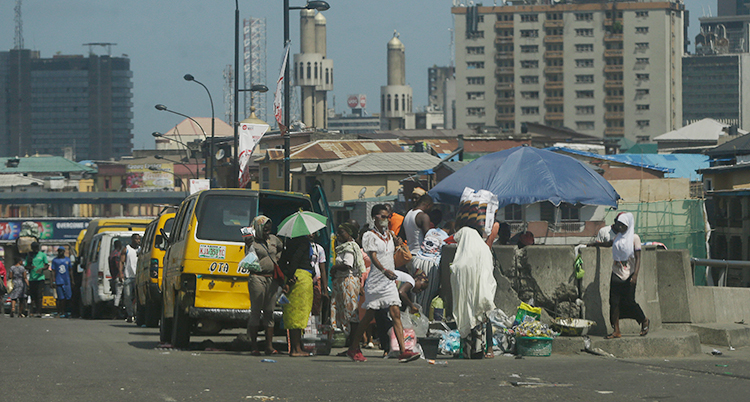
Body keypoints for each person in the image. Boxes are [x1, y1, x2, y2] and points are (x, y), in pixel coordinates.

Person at [346, 204, 420, 363]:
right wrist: (384, 270)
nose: (386, 220)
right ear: (375, 217)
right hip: (376, 280)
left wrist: (398, 243)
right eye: (382, 216)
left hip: (389, 281)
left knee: (395, 314)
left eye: (388, 217)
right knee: (368, 316)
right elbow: (372, 257)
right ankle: (353, 347)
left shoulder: (390, 235)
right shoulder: (370, 236)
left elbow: (392, 253)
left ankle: (403, 350)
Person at [451, 224, 497, 359]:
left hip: (467, 295)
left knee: (467, 315)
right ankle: (485, 349)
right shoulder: (484, 249)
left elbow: (456, 271)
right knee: (482, 317)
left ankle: (468, 350)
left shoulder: (462, 257)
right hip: (482, 291)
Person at [604, 212, 650, 339]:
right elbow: (609, 244)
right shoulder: (618, 237)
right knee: (614, 303)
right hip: (616, 273)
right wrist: (594, 244)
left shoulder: (635, 238)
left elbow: (638, 258)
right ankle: (616, 330)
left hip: (629, 274)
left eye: (623, 225)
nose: (620, 227)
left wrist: (635, 275)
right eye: (619, 225)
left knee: (629, 301)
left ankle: (643, 319)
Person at [245, 216, 283, 356]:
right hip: (257, 278)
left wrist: (278, 258)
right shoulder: (251, 242)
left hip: (272, 279)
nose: (268, 231)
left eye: (269, 229)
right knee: (256, 311)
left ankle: (269, 346)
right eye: (265, 229)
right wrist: (249, 245)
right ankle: (254, 346)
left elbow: (281, 248)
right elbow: (248, 257)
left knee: (269, 312)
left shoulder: (273, 239)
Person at [279, 234, 315, 357]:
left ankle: (296, 347)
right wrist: (290, 278)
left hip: (293, 277)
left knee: (292, 314)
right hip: (301, 279)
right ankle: (296, 349)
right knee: (299, 314)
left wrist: (288, 275)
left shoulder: (289, 241)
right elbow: (296, 258)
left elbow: (282, 262)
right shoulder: (304, 242)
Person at [330, 222, 365, 347]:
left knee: (350, 313)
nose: (338, 235)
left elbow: (347, 265)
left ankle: (353, 345)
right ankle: (351, 344)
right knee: (345, 312)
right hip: (342, 282)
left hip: (348, 282)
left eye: (341, 233)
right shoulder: (343, 247)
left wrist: (334, 268)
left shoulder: (349, 247)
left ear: (349, 234)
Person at [410, 213, 452, 310]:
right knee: (427, 295)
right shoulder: (447, 238)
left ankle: (412, 315)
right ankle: (423, 318)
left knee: (415, 292)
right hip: (431, 264)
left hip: (417, 260)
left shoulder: (430, 231)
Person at [402, 195, 434, 260]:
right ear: (428, 205)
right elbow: (428, 238)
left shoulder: (408, 214)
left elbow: (403, 235)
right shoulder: (423, 216)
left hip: (409, 254)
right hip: (419, 255)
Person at [120, 234, 141, 323]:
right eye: (136, 239)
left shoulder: (141, 250)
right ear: (132, 239)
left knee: (138, 297)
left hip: (138, 277)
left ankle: (137, 315)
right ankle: (130, 314)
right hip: (128, 277)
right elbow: (121, 262)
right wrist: (121, 273)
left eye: (139, 239)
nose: (138, 241)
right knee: (128, 297)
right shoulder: (126, 249)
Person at [26, 241, 49, 317]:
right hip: (32, 279)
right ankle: (32, 312)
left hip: (40, 278)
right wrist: (30, 267)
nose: (35, 249)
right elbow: (26, 266)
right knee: (32, 296)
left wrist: (42, 269)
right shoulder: (29, 256)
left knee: (39, 296)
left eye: (36, 248)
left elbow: (47, 265)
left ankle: (39, 312)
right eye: (34, 248)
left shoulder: (42, 255)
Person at [51, 247, 73, 318]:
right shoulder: (55, 260)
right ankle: (61, 312)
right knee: (61, 298)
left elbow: (70, 270)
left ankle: (68, 311)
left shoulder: (67, 260)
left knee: (68, 297)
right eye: (59, 251)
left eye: (61, 251)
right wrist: (53, 281)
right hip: (59, 281)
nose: (60, 252)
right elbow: (53, 271)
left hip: (66, 281)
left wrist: (72, 280)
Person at [309, 233, 328, 318]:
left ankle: (315, 325)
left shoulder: (319, 249)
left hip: (317, 279)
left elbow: (323, 270)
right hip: (305, 278)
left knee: (316, 304)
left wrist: (325, 289)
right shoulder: (302, 247)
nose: (310, 235)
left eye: (313, 233)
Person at [109, 240, 124, 317]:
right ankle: (115, 313)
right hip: (119, 276)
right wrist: (121, 274)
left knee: (118, 294)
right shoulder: (117, 255)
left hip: (114, 276)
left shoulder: (111, 254)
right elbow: (118, 266)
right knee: (119, 294)